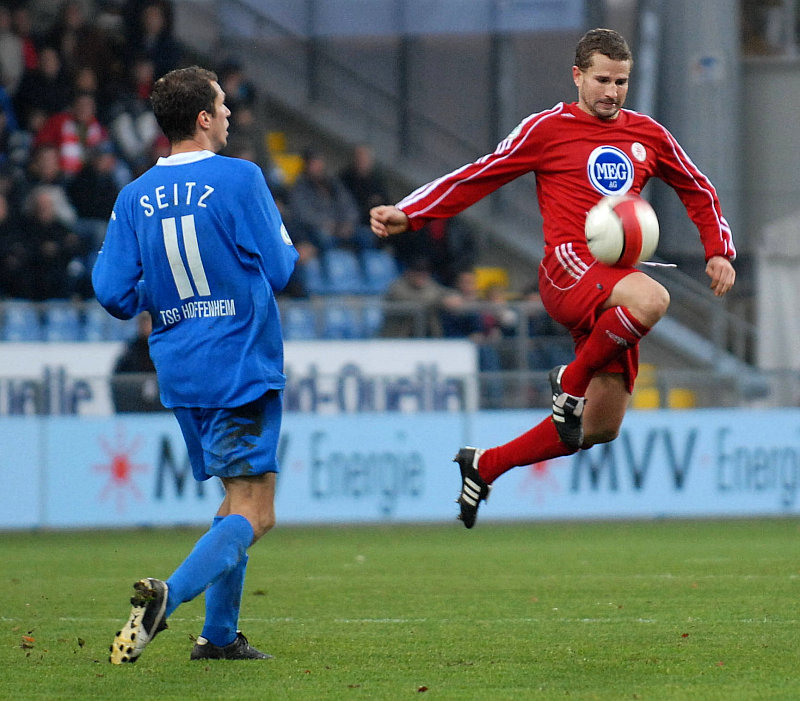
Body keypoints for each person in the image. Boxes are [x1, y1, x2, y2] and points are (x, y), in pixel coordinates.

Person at [370, 28, 736, 528]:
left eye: (621, 82)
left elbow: (699, 189)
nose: (612, 91)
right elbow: (480, 173)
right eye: (602, 79)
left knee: (599, 427)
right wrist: (411, 213)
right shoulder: (547, 128)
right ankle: (571, 377)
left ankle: (485, 465)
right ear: (577, 76)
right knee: (653, 299)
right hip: (568, 268)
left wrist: (719, 252)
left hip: (614, 286)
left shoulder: (647, 134)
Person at [92, 66, 298, 663]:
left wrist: (157, 297)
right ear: (204, 118)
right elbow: (282, 270)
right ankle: (168, 596)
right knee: (257, 512)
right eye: (223, 104)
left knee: (233, 501)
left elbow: (112, 292)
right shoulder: (240, 178)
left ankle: (219, 636)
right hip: (240, 363)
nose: (231, 113)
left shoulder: (133, 197)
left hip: (181, 368)